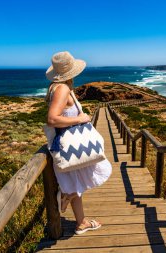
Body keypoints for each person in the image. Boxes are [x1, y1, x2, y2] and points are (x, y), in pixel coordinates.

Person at [45, 51, 112, 235]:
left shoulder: (55, 88)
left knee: (76, 181)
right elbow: (52, 119)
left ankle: (80, 221)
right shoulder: (63, 89)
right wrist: (80, 119)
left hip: (68, 145)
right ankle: (67, 195)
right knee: (92, 173)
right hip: (71, 145)